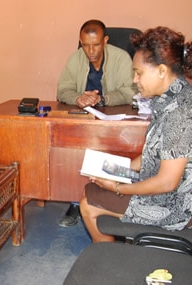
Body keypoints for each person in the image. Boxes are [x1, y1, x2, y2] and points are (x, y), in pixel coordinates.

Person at [80, 26, 192, 242]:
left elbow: (167, 183)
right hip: (169, 191)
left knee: (88, 204)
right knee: (95, 186)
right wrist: (119, 169)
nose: (135, 80)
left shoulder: (182, 113)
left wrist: (119, 187)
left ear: (162, 71)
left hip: (180, 206)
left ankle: (110, 266)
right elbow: (152, 152)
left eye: (138, 73)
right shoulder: (170, 99)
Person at [56, 19, 137, 227]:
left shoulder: (122, 58)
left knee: (108, 151)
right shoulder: (75, 59)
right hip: (85, 119)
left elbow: (131, 91)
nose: (91, 51)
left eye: (96, 44)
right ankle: (75, 202)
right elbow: (62, 90)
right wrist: (78, 99)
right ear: (80, 42)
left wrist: (102, 99)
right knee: (71, 150)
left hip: (115, 121)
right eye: (85, 45)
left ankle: (109, 200)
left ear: (106, 40)